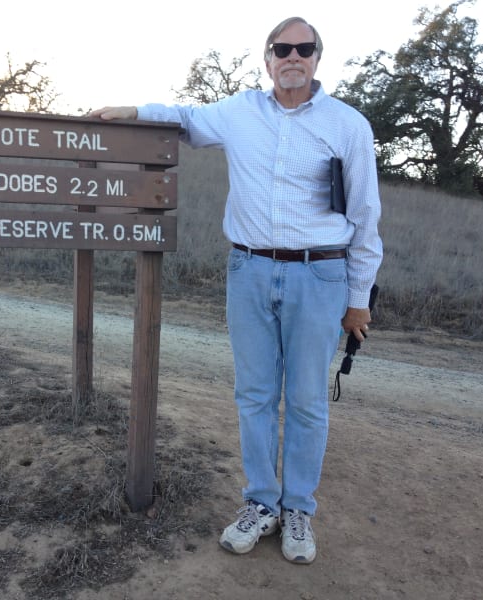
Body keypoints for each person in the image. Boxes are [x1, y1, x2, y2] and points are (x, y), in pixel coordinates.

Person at [90, 16, 382, 564]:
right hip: (248, 270)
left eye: (304, 48)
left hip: (320, 275)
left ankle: (298, 510)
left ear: (318, 57)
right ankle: (260, 504)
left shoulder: (348, 125)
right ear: (267, 58)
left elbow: (366, 215)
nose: (292, 56)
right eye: (282, 48)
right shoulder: (239, 112)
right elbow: (185, 117)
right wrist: (131, 112)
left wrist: (358, 298)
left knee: (307, 400)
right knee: (253, 395)